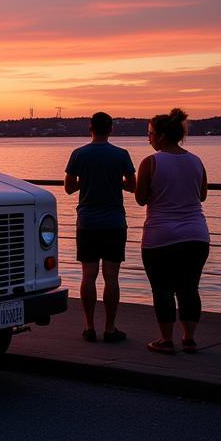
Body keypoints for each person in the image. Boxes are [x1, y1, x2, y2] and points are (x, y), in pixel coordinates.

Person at [135, 107, 210, 356]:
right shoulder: (196, 160)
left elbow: (141, 199)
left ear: (162, 137)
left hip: (161, 236)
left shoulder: (151, 162)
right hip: (196, 234)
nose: (148, 138)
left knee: (162, 289)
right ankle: (189, 339)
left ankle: (166, 340)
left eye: (150, 133)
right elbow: (202, 195)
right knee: (189, 288)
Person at [64, 111, 136, 343]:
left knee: (89, 275)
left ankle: (89, 326)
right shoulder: (121, 155)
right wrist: (116, 182)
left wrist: (86, 182)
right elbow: (133, 187)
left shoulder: (79, 154)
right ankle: (110, 328)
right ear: (111, 129)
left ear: (90, 128)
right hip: (114, 222)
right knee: (111, 277)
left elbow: (68, 188)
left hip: (87, 223)